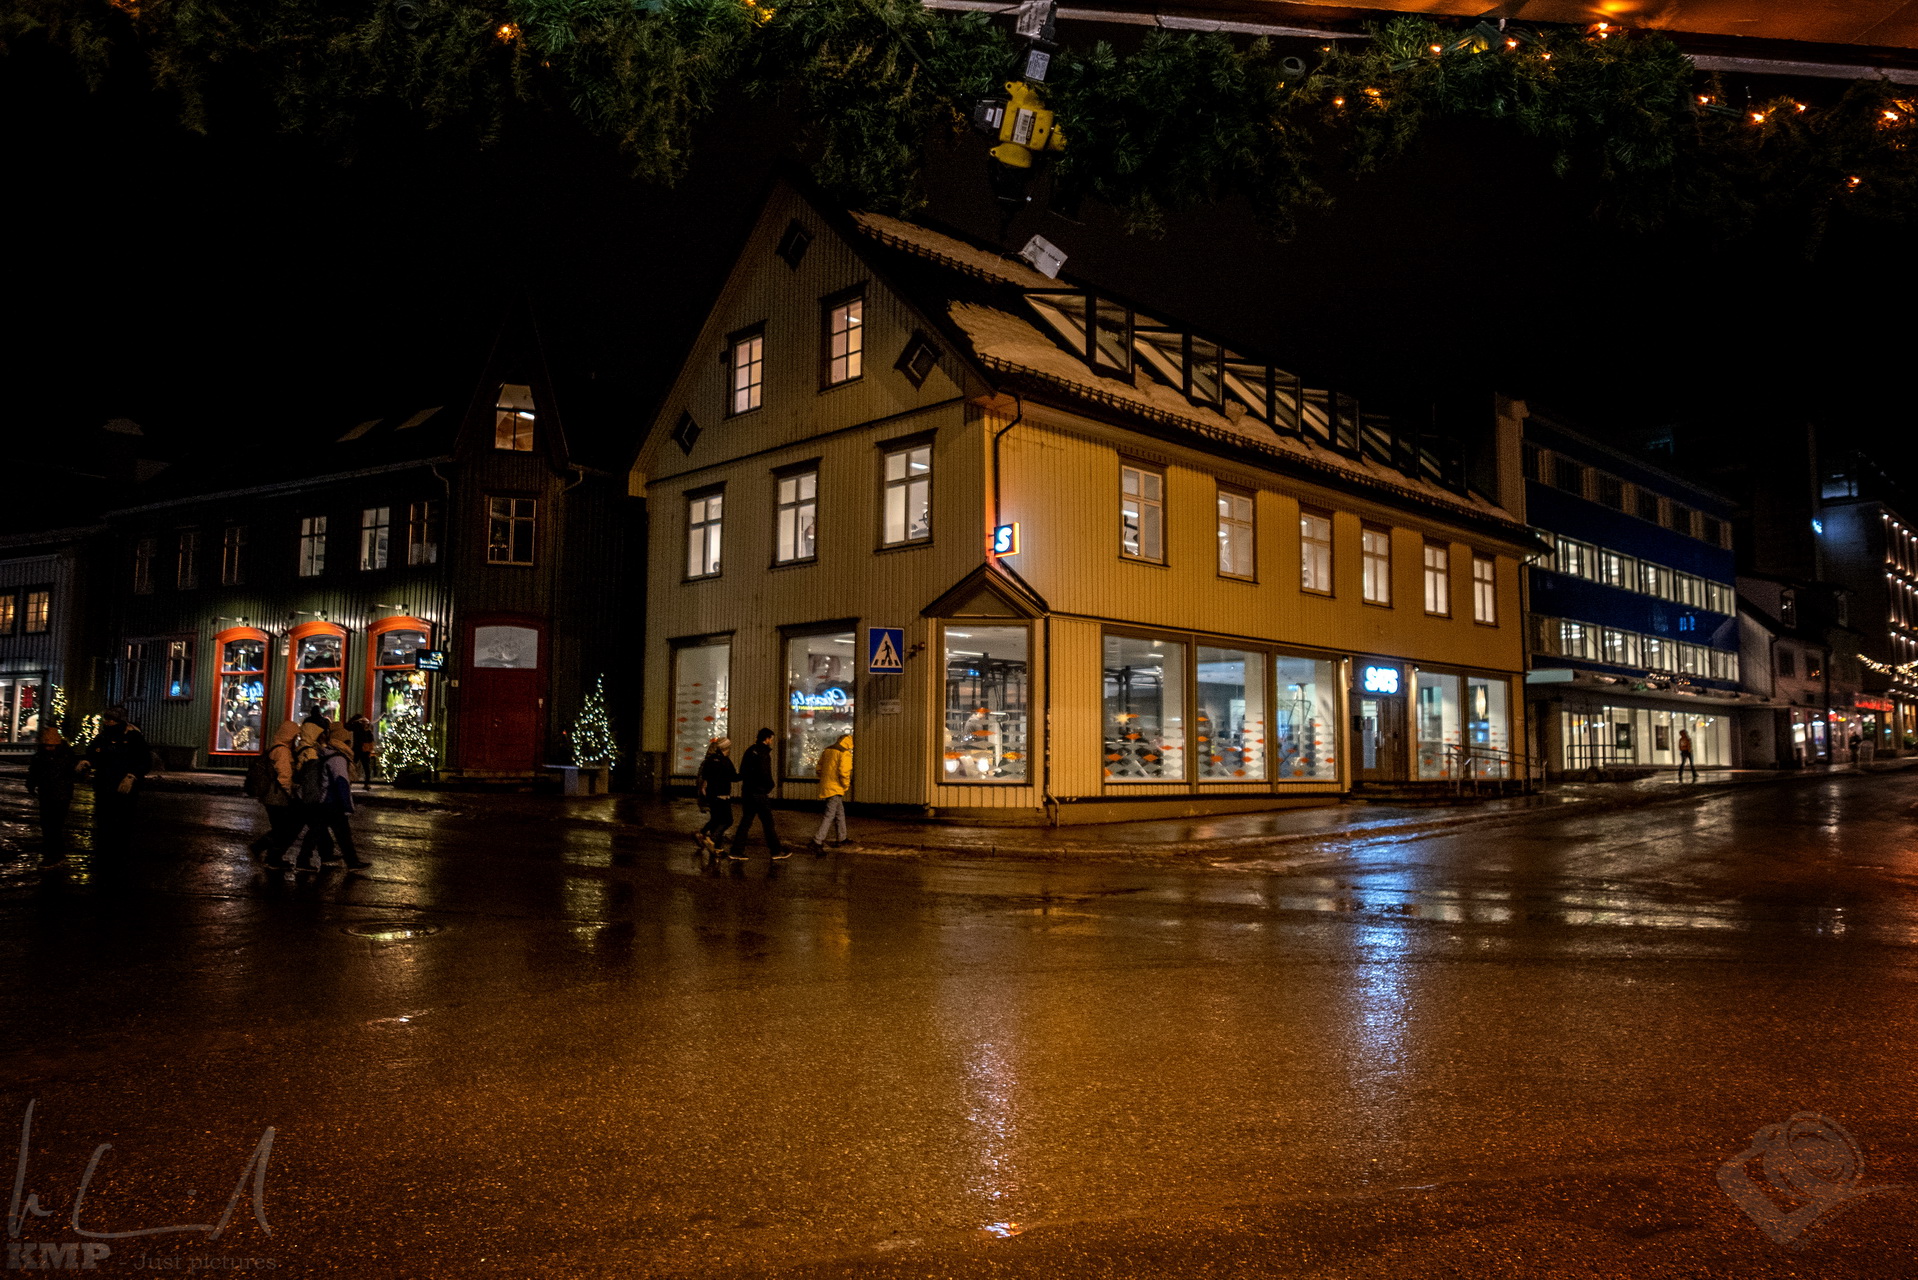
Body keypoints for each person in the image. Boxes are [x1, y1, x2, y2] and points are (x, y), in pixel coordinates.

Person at [296, 725, 370, 870]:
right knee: (341, 834)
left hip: (325, 800)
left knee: (319, 831)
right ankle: (351, 862)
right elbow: (341, 782)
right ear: (345, 741)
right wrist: (347, 806)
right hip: (332, 802)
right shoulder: (338, 758)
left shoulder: (326, 753)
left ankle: (304, 860)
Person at [80, 707, 150, 845]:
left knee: (121, 823)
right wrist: (87, 761)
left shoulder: (133, 737)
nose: (108, 722)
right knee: (103, 822)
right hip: (104, 785)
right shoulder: (103, 737)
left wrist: (132, 776)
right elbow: (93, 753)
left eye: (112, 720)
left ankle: (120, 849)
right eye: (107, 719)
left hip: (124, 788)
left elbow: (144, 761)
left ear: (120, 721)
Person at [249, 720, 306, 861]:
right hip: (277, 796)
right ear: (289, 736)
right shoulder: (283, 751)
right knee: (284, 828)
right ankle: (266, 853)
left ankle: (267, 853)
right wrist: (290, 793)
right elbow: (284, 775)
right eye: (295, 736)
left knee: (280, 828)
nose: (296, 739)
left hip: (271, 796)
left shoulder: (275, 747)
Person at [729, 728, 786, 862]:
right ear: (767, 739)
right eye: (771, 739)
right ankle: (776, 851)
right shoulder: (763, 753)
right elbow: (765, 773)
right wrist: (770, 786)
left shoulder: (750, 751)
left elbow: (743, 771)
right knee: (768, 823)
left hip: (748, 791)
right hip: (759, 793)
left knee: (746, 822)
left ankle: (736, 851)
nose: (771, 741)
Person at [25, 727, 78, 865]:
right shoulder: (41, 756)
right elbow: (34, 772)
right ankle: (53, 853)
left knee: (54, 825)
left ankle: (55, 854)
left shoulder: (65, 756)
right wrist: (31, 784)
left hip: (61, 795)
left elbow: (72, 774)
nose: (48, 748)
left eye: (51, 745)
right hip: (48, 794)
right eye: (46, 745)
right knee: (48, 825)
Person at [694, 738, 736, 861]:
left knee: (716, 820)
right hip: (722, 796)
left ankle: (715, 846)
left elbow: (703, 778)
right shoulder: (724, 761)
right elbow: (733, 776)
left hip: (711, 795)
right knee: (726, 820)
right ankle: (711, 840)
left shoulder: (708, 761)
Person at [810, 733, 853, 854]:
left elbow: (819, 768)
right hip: (836, 788)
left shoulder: (828, 750)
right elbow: (844, 772)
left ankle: (842, 838)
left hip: (826, 786)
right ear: (849, 743)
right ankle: (817, 841)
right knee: (829, 815)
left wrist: (825, 779)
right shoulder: (844, 753)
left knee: (840, 813)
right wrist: (845, 785)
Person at [347, 714, 378, 791]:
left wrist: (352, 720)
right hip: (363, 749)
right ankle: (366, 783)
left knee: (354, 766)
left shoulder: (357, 726)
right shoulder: (364, 727)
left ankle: (350, 782)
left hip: (358, 749)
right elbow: (371, 738)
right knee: (365, 767)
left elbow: (347, 726)